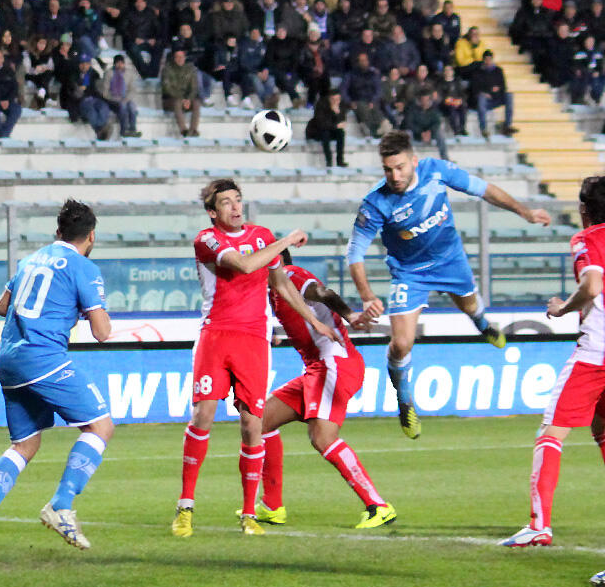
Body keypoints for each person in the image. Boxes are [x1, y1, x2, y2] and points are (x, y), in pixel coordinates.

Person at [347, 131, 551, 439]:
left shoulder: (437, 171)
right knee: (401, 344)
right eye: (388, 170)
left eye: (400, 167)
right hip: (409, 273)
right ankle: (405, 401)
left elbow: (484, 190)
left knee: (469, 305)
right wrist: (366, 295)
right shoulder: (376, 203)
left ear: (414, 161)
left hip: (450, 260)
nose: (395, 176)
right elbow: (354, 252)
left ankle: (482, 324)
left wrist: (525, 212)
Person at [172, 180, 339, 538]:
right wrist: (286, 241)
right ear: (212, 212)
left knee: (252, 425)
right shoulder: (207, 239)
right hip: (216, 336)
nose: (235, 207)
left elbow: (281, 284)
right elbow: (245, 265)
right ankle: (185, 507)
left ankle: (249, 514)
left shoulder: (261, 235)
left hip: (253, 341)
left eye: (238, 200)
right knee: (203, 416)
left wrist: (314, 323)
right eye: (226, 203)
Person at [0, 199, 113, 559]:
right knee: (100, 426)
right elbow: (102, 332)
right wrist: (78, 309)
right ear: (91, 236)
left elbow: (2, 306)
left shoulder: (30, 260)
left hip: (9, 359)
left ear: (58, 231)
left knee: (25, 445)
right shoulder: (83, 267)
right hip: (43, 358)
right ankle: (61, 504)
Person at [256, 251, 395, 528]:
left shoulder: (291, 274)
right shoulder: (271, 290)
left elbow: (322, 292)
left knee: (322, 437)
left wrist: (350, 315)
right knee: (259, 422)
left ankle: (378, 506)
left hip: (334, 364)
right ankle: (272, 507)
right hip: (316, 369)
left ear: (276, 259)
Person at [507, 177, 605, 552]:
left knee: (551, 433)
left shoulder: (586, 239)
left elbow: (592, 285)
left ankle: (538, 526)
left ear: (583, 209)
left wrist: (563, 308)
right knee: (601, 428)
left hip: (595, 355)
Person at [470, 50, 517, 137]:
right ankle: (483, 128)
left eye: (490, 59)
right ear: (483, 60)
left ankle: (507, 125)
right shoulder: (478, 72)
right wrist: (486, 92)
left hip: (496, 98)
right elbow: (475, 88)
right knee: (481, 98)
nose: (488, 62)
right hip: (484, 99)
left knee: (509, 95)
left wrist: (497, 89)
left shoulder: (498, 71)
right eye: (486, 59)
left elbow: (503, 86)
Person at [306, 90, 349, 167]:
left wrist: (337, 114)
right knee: (325, 134)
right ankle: (329, 160)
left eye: (338, 99)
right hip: (317, 131)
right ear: (329, 99)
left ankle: (340, 160)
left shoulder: (341, 105)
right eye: (333, 99)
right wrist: (335, 124)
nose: (336, 101)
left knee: (341, 133)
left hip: (332, 130)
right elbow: (321, 124)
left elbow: (342, 122)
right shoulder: (321, 105)